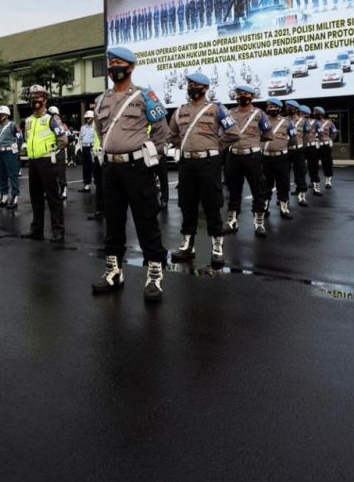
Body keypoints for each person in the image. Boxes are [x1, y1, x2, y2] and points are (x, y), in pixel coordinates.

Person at [91, 46, 169, 303]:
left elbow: (161, 131)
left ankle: (154, 272)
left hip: (137, 168)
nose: (114, 68)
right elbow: (101, 131)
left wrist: (150, 155)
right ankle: (114, 270)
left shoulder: (146, 96)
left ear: (131, 67)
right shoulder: (101, 100)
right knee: (112, 221)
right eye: (111, 63)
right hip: (111, 168)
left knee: (146, 219)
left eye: (119, 64)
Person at [168, 72, 234, 269]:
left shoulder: (217, 109)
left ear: (205, 88)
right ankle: (187, 244)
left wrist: (215, 146)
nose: (191, 88)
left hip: (209, 163)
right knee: (187, 204)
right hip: (187, 164)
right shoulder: (179, 111)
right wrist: (188, 146)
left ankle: (217, 246)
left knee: (212, 204)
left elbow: (234, 133)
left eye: (195, 85)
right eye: (189, 84)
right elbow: (172, 135)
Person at [221, 85, 272, 236]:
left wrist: (253, 141)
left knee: (258, 190)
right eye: (239, 94)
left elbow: (268, 134)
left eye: (245, 94)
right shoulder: (229, 113)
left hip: (253, 156)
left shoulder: (259, 114)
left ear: (252, 97)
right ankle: (232, 221)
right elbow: (223, 133)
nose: (242, 96)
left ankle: (259, 222)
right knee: (233, 190)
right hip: (234, 156)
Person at [20, 85, 68, 243]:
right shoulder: (28, 121)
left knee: (53, 197)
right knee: (35, 197)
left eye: (38, 98)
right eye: (33, 98)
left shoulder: (52, 119)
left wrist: (52, 151)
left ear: (45, 100)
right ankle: (36, 229)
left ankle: (58, 230)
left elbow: (63, 139)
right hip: (33, 162)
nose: (35, 101)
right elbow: (27, 139)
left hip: (47, 161)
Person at [261, 98, 296, 220]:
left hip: (281, 157)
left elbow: (293, 139)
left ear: (279, 108)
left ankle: (284, 208)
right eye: (270, 107)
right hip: (265, 157)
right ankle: (265, 207)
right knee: (266, 184)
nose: (272, 109)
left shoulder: (287, 122)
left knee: (283, 183)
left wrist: (282, 147)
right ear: (267, 109)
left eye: (275, 107)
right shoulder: (262, 120)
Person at [0, 105, 21, 209]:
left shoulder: (12, 125)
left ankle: (14, 198)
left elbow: (20, 137)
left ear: (7, 115)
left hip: (10, 153)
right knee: (2, 176)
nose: (0, 116)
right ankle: (4, 198)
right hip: (0, 153)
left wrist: (16, 149)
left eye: (2, 114)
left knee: (13, 176)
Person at [286, 100, 310, 206]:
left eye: (289, 107)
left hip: (298, 150)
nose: (287, 109)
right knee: (283, 175)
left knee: (300, 173)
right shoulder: (283, 120)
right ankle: (283, 197)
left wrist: (302, 146)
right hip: (285, 150)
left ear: (296, 109)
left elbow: (306, 136)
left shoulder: (303, 121)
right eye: (286, 107)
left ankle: (301, 196)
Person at [312, 106, 338, 191]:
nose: (316, 114)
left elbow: (334, 132)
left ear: (322, 114)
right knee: (313, 164)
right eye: (315, 113)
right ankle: (314, 181)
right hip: (314, 145)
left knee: (327, 163)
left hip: (325, 145)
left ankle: (328, 180)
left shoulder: (329, 123)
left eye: (318, 113)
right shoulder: (311, 122)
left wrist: (331, 140)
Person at [77, 112, 96, 192]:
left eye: (88, 118)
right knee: (86, 167)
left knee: (95, 167)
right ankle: (86, 185)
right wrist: (81, 148)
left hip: (92, 148)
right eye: (86, 118)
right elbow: (80, 138)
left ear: (92, 118)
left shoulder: (96, 127)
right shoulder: (83, 127)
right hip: (85, 148)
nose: (87, 119)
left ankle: (98, 185)